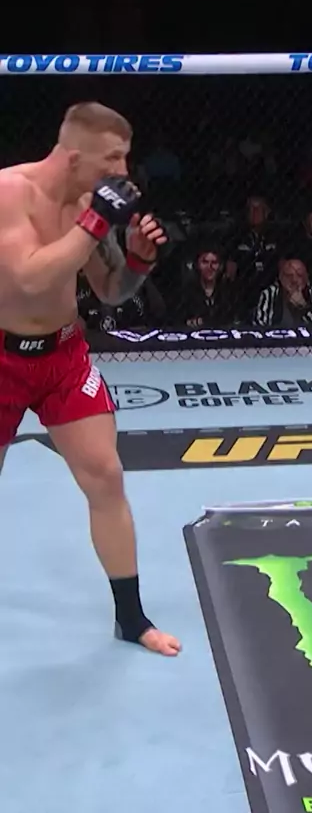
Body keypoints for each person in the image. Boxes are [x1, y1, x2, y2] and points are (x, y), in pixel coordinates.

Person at [0, 101, 181, 657]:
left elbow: (110, 290)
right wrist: (95, 222)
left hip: (63, 356)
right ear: (75, 156)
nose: (123, 172)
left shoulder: (85, 203)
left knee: (105, 475)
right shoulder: (10, 193)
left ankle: (131, 618)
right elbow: (29, 278)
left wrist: (139, 259)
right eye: (113, 159)